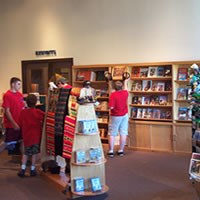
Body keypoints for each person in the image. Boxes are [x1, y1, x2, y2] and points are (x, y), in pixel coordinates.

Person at [18, 94, 45, 177]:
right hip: (36, 136)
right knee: (34, 153)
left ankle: (23, 168)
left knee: (26, 153)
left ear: (26, 102)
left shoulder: (23, 112)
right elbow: (45, 118)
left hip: (26, 135)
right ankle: (32, 169)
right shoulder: (39, 112)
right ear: (36, 102)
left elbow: (20, 123)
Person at [0, 77, 25, 154]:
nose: (19, 86)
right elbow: (7, 111)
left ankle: (23, 161)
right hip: (11, 124)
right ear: (13, 84)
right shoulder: (7, 95)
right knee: (7, 142)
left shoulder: (20, 94)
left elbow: (22, 108)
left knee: (22, 141)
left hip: (20, 123)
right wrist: (14, 123)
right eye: (18, 84)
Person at [107, 79, 129, 157]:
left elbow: (111, 107)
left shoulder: (113, 95)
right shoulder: (125, 93)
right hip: (124, 115)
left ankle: (111, 151)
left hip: (115, 116)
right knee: (123, 132)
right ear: (122, 86)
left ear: (114, 87)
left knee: (112, 133)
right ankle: (121, 150)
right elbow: (126, 88)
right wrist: (126, 81)